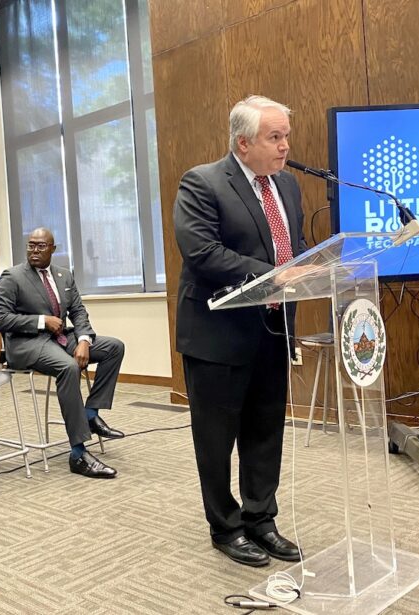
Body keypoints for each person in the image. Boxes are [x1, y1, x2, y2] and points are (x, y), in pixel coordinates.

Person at [173, 95, 308, 567]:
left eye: (286, 135)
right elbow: (202, 252)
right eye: (275, 137)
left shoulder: (288, 187)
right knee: (216, 438)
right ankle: (225, 527)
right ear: (243, 142)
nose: (285, 146)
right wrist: (274, 274)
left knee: (265, 431)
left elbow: (298, 249)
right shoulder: (202, 182)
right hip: (217, 335)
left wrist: (307, 270)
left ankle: (261, 519)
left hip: (272, 329)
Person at [0, 227, 126, 479]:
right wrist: (41, 321)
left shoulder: (64, 275)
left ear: (53, 249)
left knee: (113, 347)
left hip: (61, 337)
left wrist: (85, 339)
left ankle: (90, 414)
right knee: (69, 367)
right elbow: (0, 320)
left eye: (41, 246)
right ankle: (78, 453)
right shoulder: (12, 276)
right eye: (31, 245)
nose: (34, 250)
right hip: (27, 344)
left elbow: (78, 311)